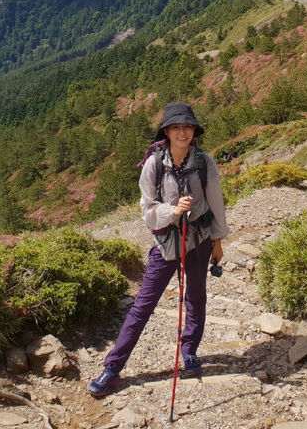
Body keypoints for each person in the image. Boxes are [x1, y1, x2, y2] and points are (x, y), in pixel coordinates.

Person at [88, 102, 229, 397]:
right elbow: (148, 211)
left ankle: (189, 351)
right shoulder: (153, 164)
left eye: (187, 127)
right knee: (142, 306)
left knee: (196, 297)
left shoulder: (204, 162)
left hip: (199, 240)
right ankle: (112, 367)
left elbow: (216, 204)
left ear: (193, 131)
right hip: (166, 244)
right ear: (166, 131)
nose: (182, 132)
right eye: (176, 127)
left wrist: (218, 240)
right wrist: (174, 210)